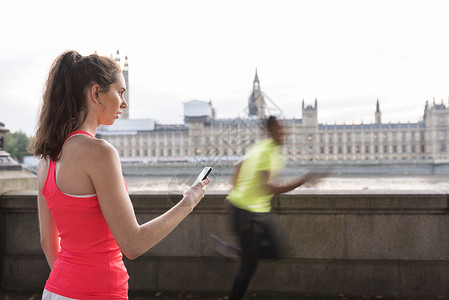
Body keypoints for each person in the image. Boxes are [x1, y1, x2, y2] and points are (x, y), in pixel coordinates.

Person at [32, 50, 209, 299]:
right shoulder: (100, 153)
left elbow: (48, 242)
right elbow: (133, 244)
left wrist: (69, 285)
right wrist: (188, 202)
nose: (124, 103)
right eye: (120, 92)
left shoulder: (45, 159)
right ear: (96, 93)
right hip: (99, 292)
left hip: (55, 290)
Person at [217, 116, 327, 300]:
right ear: (271, 130)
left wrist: (232, 192)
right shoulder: (265, 153)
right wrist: (303, 180)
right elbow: (267, 187)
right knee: (249, 266)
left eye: (284, 129)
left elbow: (239, 166)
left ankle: (239, 251)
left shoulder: (265, 148)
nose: (285, 132)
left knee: (277, 250)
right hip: (246, 213)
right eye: (280, 129)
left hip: (256, 211)